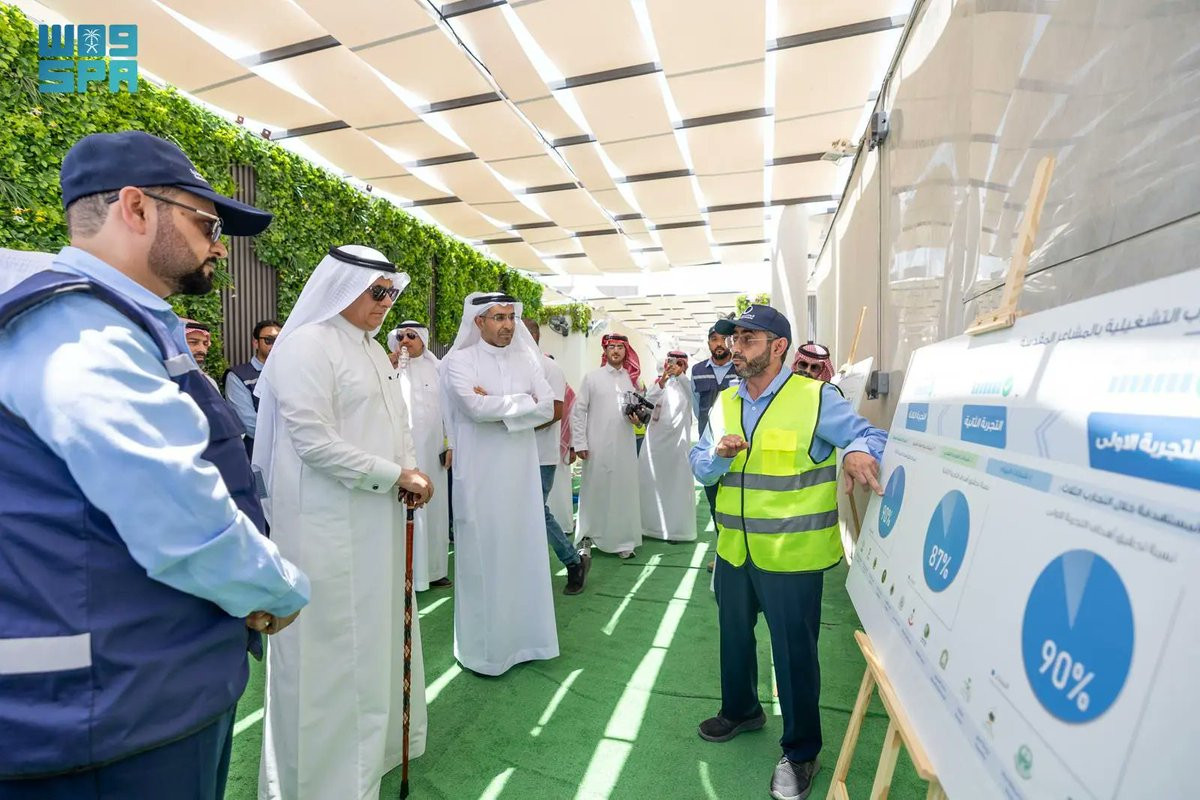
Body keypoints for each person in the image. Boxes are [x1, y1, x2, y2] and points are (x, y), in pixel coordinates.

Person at [0, 130, 309, 799]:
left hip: (135, 692)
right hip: (111, 716)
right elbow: (176, 510)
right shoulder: (82, 332)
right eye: (207, 224)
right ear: (136, 208)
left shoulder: (108, 320)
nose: (219, 246)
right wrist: (274, 590)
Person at [254, 245, 434, 800]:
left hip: (377, 522)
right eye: (377, 291)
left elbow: (398, 425)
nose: (386, 303)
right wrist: (395, 474)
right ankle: (321, 780)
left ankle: (369, 759)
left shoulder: (374, 349)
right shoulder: (306, 345)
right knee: (330, 651)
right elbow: (313, 442)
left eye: (391, 293)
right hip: (324, 528)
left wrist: (409, 472)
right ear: (342, 287)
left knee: (374, 638)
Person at [689, 304, 887, 800]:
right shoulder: (725, 401)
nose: (736, 348)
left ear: (778, 347)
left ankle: (801, 752)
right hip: (734, 550)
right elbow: (699, 463)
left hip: (792, 558)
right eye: (734, 338)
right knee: (734, 636)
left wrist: (858, 450)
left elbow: (870, 434)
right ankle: (741, 710)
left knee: (794, 655)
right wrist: (716, 456)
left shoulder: (816, 397)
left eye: (748, 339)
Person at [440, 292, 559, 675]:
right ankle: (485, 653)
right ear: (479, 321)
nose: (508, 325)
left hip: (521, 476)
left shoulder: (528, 359)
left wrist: (499, 401)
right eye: (499, 318)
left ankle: (529, 642)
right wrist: (523, 401)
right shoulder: (459, 361)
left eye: (511, 317)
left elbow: (548, 406)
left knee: (522, 552)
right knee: (484, 556)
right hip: (480, 476)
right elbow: (474, 409)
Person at [524, 318, 589, 594]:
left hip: (541, 456)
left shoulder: (550, 368)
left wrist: (513, 425)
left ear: (532, 337)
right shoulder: (512, 369)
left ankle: (574, 562)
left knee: (537, 512)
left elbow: (555, 411)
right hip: (513, 455)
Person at [388, 320, 452, 591]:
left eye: (411, 336)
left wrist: (451, 444)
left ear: (423, 340)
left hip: (433, 451)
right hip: (399, 454)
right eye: (401, 336)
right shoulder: (387, 368)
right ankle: (404, 574)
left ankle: (435, 570)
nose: (405, 340)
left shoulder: (438, 369)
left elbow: (450, 411)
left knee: (434, 511)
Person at [571, 333, 643, 559]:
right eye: (611, 346)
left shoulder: (631, 380)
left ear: (626, 351)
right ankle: (587, 537)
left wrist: (638, 420)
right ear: (605, 350)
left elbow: (640, 413)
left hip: (624, 446)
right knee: (595, 489)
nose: (616, 351)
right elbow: (579, 411)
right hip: (597, 445)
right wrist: (579, 442)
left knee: (622, 490)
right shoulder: (592, 378)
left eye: (620, 347)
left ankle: (622, 540)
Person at [692, 323, 740, 570]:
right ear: (708, 343)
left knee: (736, 503)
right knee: (714, 504)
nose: (719, 344)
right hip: (710, 448)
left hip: (737, 448)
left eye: (723, 339)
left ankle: (737, 556)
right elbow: (696, 406)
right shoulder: (697, 371)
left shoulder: (742, 368)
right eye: (714, 339)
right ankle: (723, 555)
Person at [639, 351, 697, 542]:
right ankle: (648, 527)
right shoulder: (659, 384)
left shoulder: (687, 385)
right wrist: (662, 381)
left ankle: (676, 531)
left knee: (675, 488)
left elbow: (694, 396)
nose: (674, 367)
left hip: (677, 447)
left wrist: (680, 376)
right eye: (671, 363)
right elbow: (648, 402)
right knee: (651, 485)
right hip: (654, 445)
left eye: (679, 363)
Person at [224, 318, 280, 457]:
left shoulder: (290, 372)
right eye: (269, 340)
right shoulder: (237, 376)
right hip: (257, 454)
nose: (275, 345)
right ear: (255, 343)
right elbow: (249, 423)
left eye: (279, 340)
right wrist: (286, 439)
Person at [182, 318, 221, 391]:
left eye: (205, 343)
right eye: (193, 342)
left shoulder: (209, 382)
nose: (202, 349)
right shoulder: (161, 379)